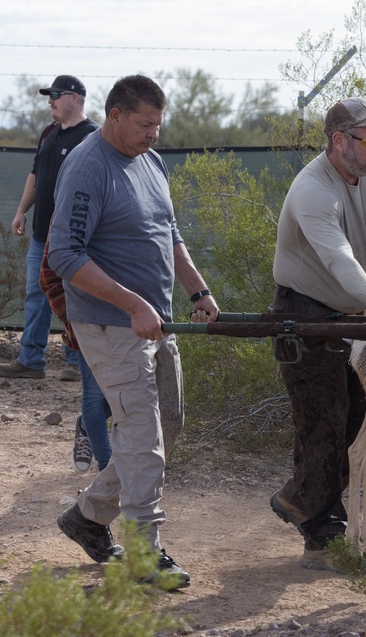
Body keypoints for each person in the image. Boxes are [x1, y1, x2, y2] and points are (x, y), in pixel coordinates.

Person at [48, 74, 219, 590]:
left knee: (167, 424)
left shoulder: (150, 161)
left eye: (158, 126)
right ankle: (145, 553)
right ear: (115, 115)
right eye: (145, 125)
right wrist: (132, 302)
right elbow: (64, 254)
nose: (153, 135)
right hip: (107, 322)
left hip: (155, 319)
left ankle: (87, 516)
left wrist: (198, 290)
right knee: (143, 436)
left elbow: (169, 233)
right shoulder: (86, 166)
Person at [268, 97, 366, 572]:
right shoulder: (312, 189)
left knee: (356, 415)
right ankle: (322, 536)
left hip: (356, 313)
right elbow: (338, 257)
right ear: (339, 142)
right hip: (303, 312)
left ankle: (299, 496)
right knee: (324, 420)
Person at [1, 75, 97, 389]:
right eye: (49, 94)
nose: (49, 100)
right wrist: (20, 211)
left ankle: (75, 361)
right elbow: (35, 174)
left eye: (55, 94)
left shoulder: (93, 136)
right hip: (42, 235)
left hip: (75, 240)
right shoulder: (48, 133)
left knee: (77, 297)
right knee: (36, 297)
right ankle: (31, 360)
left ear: (74, 97)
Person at [39, 242, 113, 472]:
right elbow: (48, 276)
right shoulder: (71, 209)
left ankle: (87, 424)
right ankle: (106, 470)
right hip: (85, 323)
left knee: (124, 396)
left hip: (129, 323)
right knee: (94, 397)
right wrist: (72, 317)